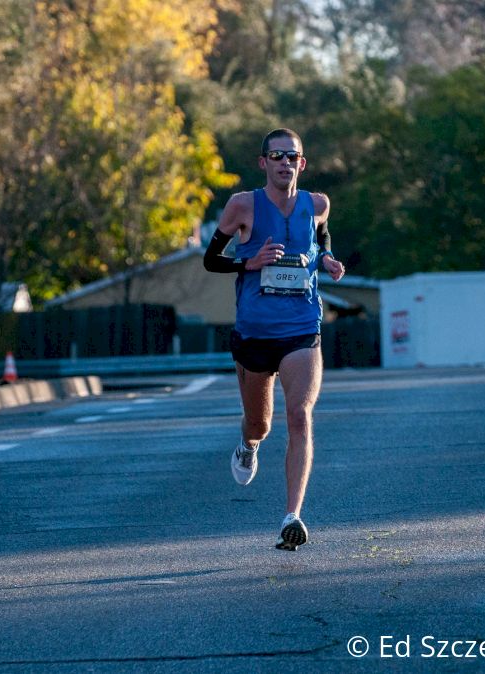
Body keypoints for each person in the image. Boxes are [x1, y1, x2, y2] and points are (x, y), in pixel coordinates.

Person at [202, 128, 346, 551]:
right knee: (259, 424)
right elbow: (211, 260)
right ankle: (248, 446)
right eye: (276, 156)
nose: (285, 162)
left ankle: (292, 516)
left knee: (299, 416)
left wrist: (328, 260)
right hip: (254, 333)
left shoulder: (317, 204)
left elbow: (320, 239)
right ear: (263, 162)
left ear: (302, 163)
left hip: (301, 328)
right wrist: (249, 262)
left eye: (292, 156)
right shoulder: (242, 205)